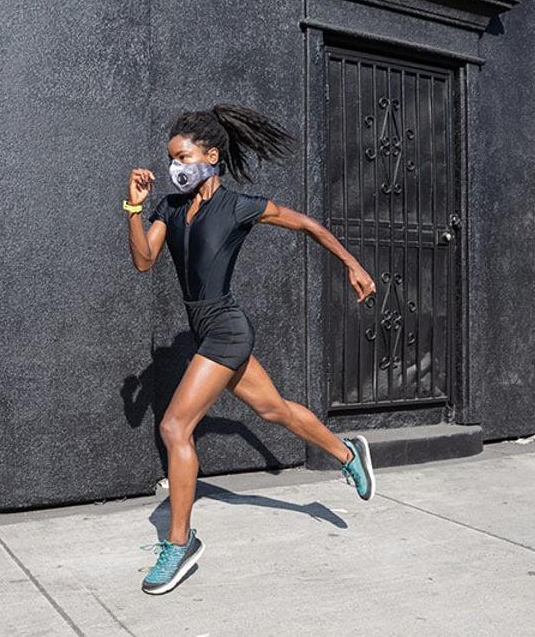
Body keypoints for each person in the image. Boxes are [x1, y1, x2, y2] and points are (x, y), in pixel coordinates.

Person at [124, 103, 379, 595]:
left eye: (183, 156)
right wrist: (134, 207)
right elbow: (143, 260)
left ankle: (180, 543)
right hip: (207, 332)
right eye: (170, 157)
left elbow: (306, 224)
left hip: (226, 327)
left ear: (211, 156)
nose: (174, 166)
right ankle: (347, 454)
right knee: (273, 409)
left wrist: (352, 263)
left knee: (175, 426)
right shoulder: (170, 208)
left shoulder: (237, 206)